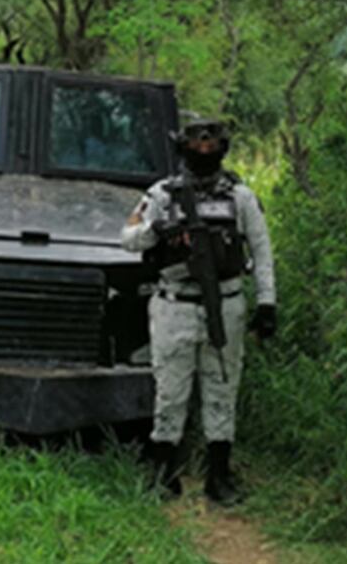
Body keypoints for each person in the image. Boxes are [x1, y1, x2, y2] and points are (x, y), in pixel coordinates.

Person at [120, 117, 276, 506]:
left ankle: (219, 478)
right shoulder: (161, 194)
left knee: (222, 389)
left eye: (212, 144)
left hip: (226, 303)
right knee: (170, 392)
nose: (204, 150)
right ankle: (162, 475)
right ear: (183, 147)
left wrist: (268, 303)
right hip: (174, 304)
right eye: (197, 143)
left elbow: (261, 252)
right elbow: (127, 239)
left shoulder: (240, 196)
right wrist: (159, 229)